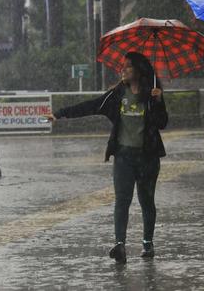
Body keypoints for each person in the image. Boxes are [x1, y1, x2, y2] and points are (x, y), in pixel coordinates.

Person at [45, 52, 168, 264]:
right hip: (123, 157)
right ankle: (120, 245)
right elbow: (91, 105)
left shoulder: (152, 94)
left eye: (128, 67)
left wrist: (159, 101)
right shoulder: (117, 94)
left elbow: (162, 123)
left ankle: (148, 243)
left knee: (146, 201)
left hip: (148, 158)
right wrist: (60, 113)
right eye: (123, 66)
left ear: (139, 70)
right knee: (122, 200)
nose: (124, 70)